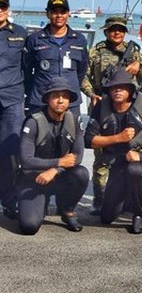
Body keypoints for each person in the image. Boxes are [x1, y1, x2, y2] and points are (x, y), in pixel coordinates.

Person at [84, 69, 142, 234]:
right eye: (113, 88)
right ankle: (126, 197)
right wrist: (118, 138)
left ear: (131, 90)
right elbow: (88, 140)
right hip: (116, 164)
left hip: (140, 161)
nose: (117, 90)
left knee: (134, 171)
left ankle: (137, 214)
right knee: (107, 217)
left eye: (122, 87)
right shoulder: (101, 107)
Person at [81, 15, 142, 215]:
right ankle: (99, 198)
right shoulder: (96, 52)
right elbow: (83, 76)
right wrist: (91, 94)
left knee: (132, 150)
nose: (117, 33)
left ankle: (132, 200)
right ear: (106, 31)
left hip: (129, 107)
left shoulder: (134, 51)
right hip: (104, 105)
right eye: (113, 29)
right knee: (102, 155)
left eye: (120, 29)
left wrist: (139, 67)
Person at [17, 77, 89, 235]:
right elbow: (26, 160)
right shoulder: (33, 122)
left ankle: (67, 210)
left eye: (65, 96)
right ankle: (40, 205)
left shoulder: (75, 121)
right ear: (48, 99)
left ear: (70, 100)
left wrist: (55, 169)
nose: (61, 100)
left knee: (81, 173)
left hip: (58, 176)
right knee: (29, 226)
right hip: (34, 179)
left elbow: (77, 156)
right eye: (56, 96)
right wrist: (59, 161)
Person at [24, 0, 88, 116]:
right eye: (54, 11)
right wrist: (35, 89)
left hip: (70, 101)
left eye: (62, 12)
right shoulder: (34, 39)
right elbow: (26, 69)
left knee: (71, 134)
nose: (59, 15)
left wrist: (71, 85)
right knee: (37, 134)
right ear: (47, 14)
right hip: (41, 100)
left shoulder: (79, 40)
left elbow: (81, 70)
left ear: (68, 14)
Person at [0, 0, 27, 219]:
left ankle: (10, 201)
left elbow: (28, 67)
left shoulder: (20, 34)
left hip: (11, 99)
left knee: (10, 152)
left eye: (2, 6)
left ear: (7, 9)